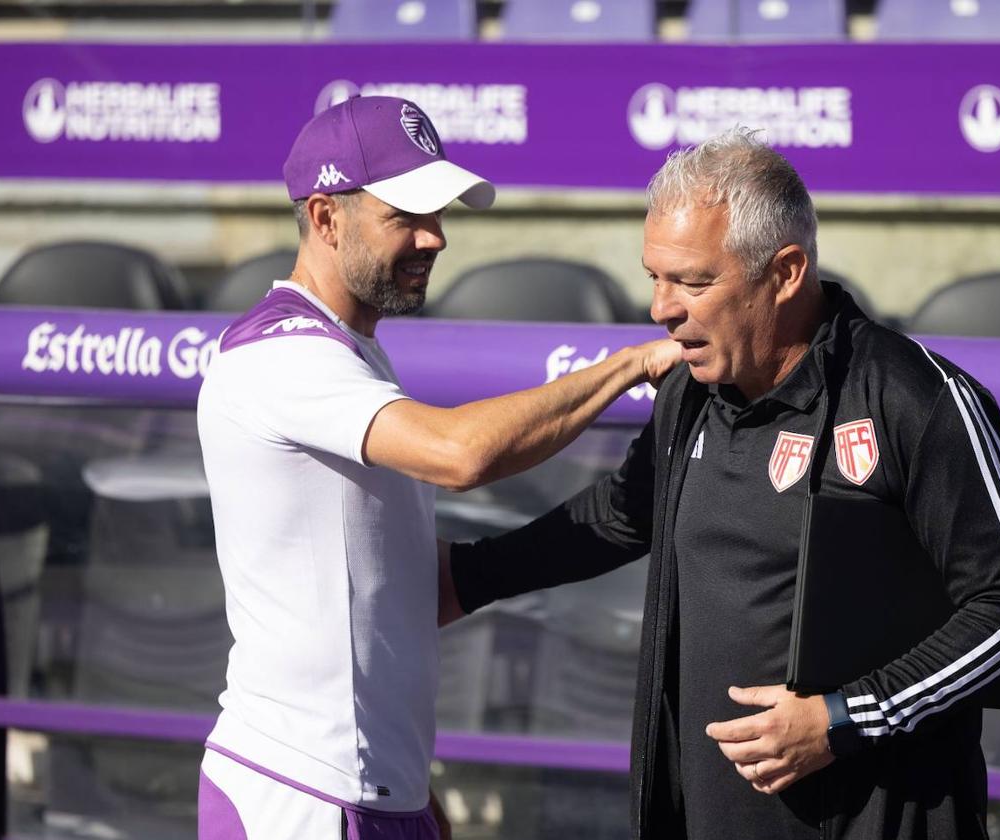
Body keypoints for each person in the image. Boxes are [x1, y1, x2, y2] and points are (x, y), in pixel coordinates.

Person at [446, 129, 1000, 840]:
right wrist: (466, 575)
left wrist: (844, 718)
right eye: (655, 277)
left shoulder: (915, 399)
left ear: (787, 271)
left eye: (695, 282)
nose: (662, 309)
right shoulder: (692, 392)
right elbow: (621, 515)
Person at [195, 95, 678, 840]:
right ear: (325, 217)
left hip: (368, 789)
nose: (436, 238)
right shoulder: (282, 353)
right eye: (407, 216)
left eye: (440, 214)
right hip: (298, 799)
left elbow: (411, 581)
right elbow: (461, 455)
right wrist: (629, 365)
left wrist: (412, 789)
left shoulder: (348, 349)